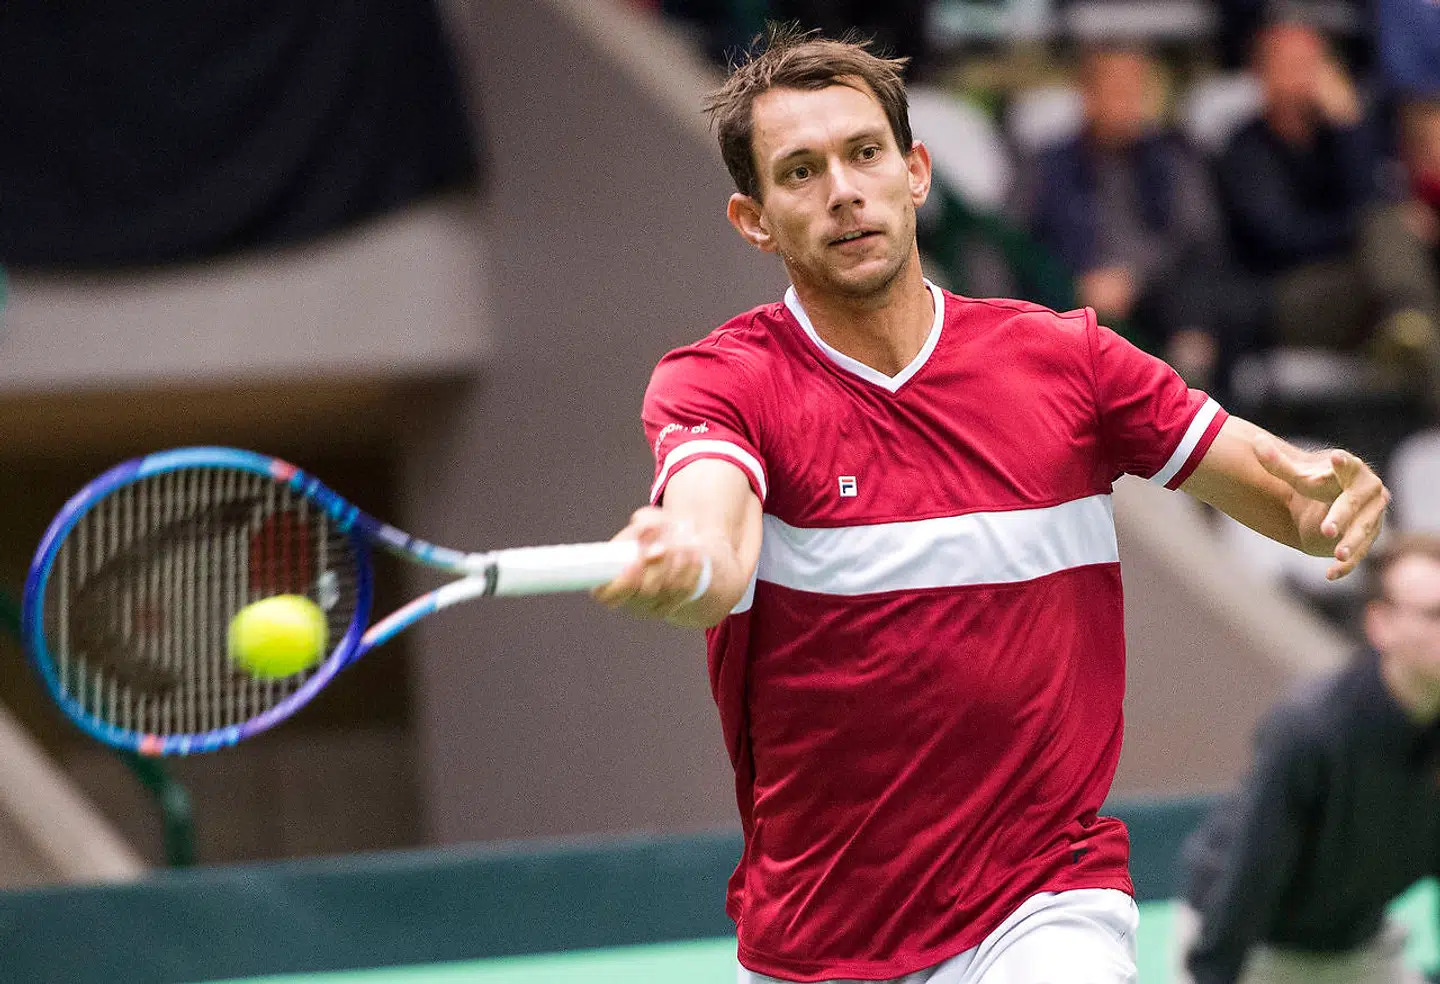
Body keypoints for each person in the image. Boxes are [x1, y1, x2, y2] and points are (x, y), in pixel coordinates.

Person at [593, 26, 1389, 984]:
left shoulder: (1070, 361)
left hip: (1044, 901)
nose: (843, 189)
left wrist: (1326, 503)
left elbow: (1279, 489)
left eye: (863, 154)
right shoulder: (724, 384)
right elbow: (711, 544)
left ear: (916, 171)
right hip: (821, 935)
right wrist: (684, 568)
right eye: (799, 172)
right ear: (753, 219)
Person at [1177, 533, 1440, 984]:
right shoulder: (1310, 729)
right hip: (1253, 947)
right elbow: (1249, 879)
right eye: (1435, 615)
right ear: (1380, 624)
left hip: (1358, 946)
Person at [1012, 43, 1261, 401]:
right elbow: (1013, 238)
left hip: (1159, 296)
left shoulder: (1175, 156)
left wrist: (1132, 278)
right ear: (1087, 95)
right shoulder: (1045, 164)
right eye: (1113, 90)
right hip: (1065, 295)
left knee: (1206, 302)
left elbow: (1197, 233)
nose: (1125, 102)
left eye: (1134, 91)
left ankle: (1192, 415)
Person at [1215, 20, 1440, 406]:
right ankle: (1409, 319)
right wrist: (1361, 228)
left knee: (1408, 298)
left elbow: (1370, 195)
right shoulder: (1245, 149)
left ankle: (1407, 324)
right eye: (1292, 65)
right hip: (1284, 299)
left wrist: (1348, 126)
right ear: (1262, 75)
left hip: (1367, 285)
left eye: (1312, 64)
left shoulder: (1339, 136)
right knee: (1392, 235)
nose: (1306, 78)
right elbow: (1280, 239)